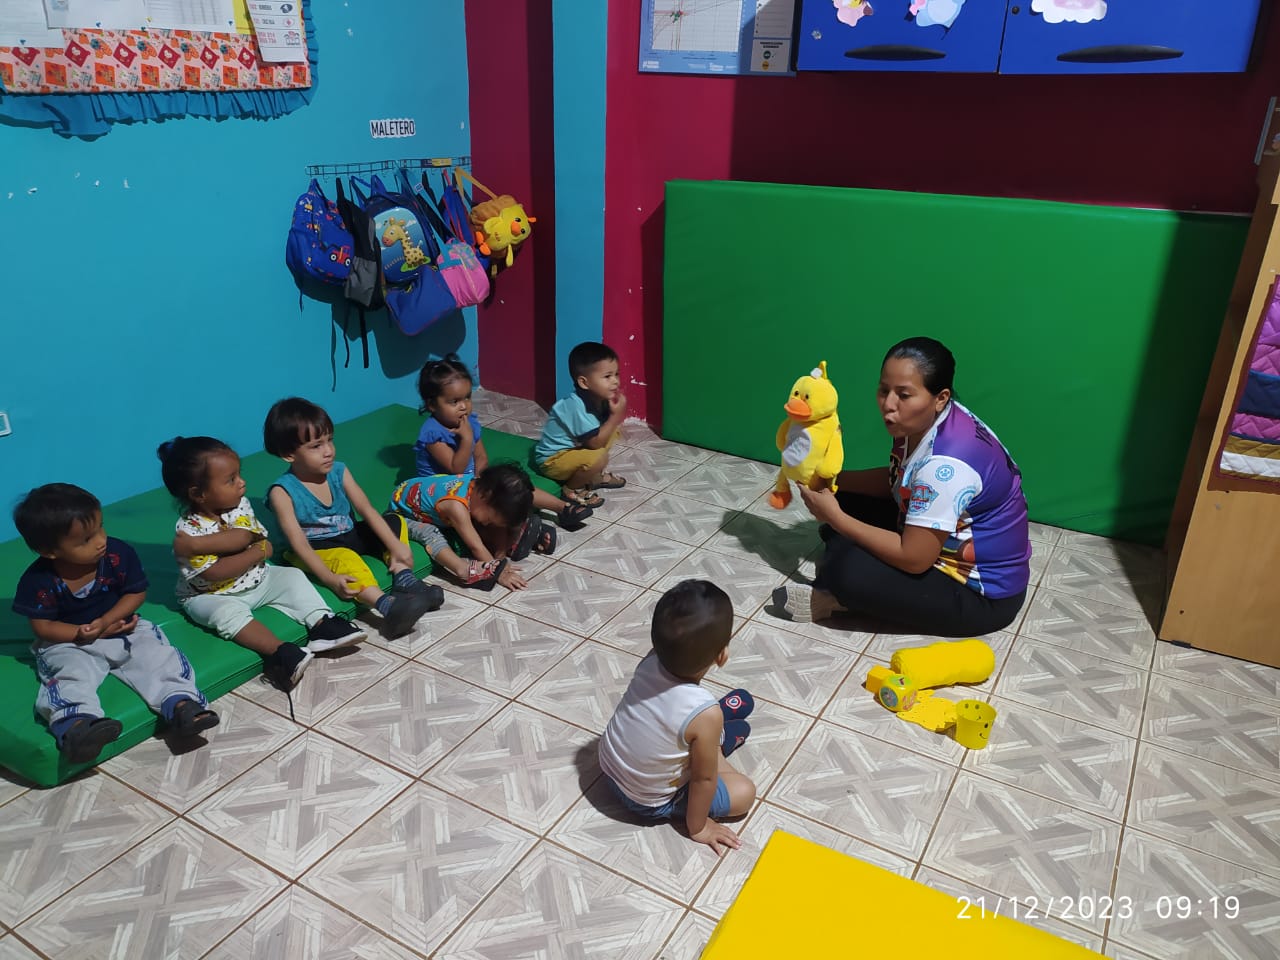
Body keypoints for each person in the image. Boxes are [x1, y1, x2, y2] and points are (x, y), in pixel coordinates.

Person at [777, 337, 1031, 637]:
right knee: (840, 496)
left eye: (904, 395)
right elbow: (899, 480)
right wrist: (833, 480)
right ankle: (849, 560)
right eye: (884, 390)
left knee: (847, 570)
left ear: (940, 397)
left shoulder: (945, 465)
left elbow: (914, 559)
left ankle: (835, 599)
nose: (889, 404)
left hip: (980, 596)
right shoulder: (930, 419)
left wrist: (835, 518)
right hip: (934, 540)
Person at [11, 483, 219, 764]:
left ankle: (181, 704)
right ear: (50, 551)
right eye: (85, 540)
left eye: (100, 528)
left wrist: (106, 622)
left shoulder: (117, 555)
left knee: (156, 655)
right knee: (71, 673)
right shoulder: (39, 581)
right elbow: (43, 627)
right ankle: (77, 726)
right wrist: (80, 633)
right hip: (68, 641)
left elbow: (136, 594)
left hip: (122, 628)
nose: (100, 541)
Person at [158, 436, 364, 693]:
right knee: (226, 615)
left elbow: (244, 537)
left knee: (291, 577)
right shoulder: (188, 531)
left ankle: (322, 623)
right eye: (231, 480)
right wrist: (257, 552)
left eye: (239, 474)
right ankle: (280, 652)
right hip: (211, 594)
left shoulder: (237, 506)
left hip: (257, 578)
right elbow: (215, 572)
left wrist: (206, 546)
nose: (242, 482)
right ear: (198, 494)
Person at [598, 580, 757, 855]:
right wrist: (699, 827)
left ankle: (710, 740)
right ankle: (714, 745)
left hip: (610, 771)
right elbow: (703, 781)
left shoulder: (650, 660)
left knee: (721, 711)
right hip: (647, 802)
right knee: (744, 791)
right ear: (722, 656)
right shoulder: (706, 713)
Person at [264, 397, 444, 639]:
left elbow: (366, 509)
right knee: (346, 559)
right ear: (289, 454)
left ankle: (405, 579)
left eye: (329, 440)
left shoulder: (339, 471)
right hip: (317, 549)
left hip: (348, 534)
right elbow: (299, 544)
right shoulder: (282, 492)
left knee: (393, 521)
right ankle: (387, 606)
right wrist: (329, 579)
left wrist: (395, 545)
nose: (328, 451)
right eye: (316, 446)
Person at [414, 357, 594, 543]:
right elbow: (455, 469)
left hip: (471, 483)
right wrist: (466, 439)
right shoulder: (432, 434)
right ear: (432, 405)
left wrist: (483, 480)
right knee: (485, 513)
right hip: (446, 493)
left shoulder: (469, 423)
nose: (463, 406)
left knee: (512, 488)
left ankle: (562, 508)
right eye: (454, 401)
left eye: (467, 397)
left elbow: (481, 457)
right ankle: (524, 535)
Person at [390, 466, 534, 591]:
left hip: (427, 494)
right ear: (485, 496)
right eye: (489, 519)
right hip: (402, 515)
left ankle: (515, 536)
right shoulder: (456, 506)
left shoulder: (478, 487)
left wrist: (500, 557)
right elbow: (475, 546)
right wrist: (499, 573)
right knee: (431, 533)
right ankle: (461, 569)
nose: (487, 523)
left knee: (482, 524)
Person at [533, 341, 628, 508]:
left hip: (575, 450)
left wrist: (612, 421)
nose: (615, 382)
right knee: (598, 456)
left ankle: (593, 477)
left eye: (616, 374)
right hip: (553, 460)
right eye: (607, 377)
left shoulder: (599, 398)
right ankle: (571, 490)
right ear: (584, 383)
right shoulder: (575, 406)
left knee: (612, 431)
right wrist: (614, 417)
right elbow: (594, 444)